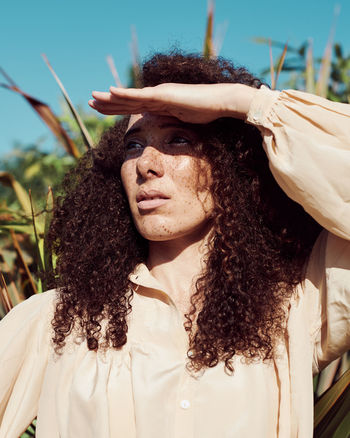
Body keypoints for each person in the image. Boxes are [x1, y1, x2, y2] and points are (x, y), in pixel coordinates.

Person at [0, 52, 349, 438]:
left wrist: (246, 103)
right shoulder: (58, 320)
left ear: (230, 166)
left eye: (179, 139)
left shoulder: (294, 313)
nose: (146, 164)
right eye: (133, 147)